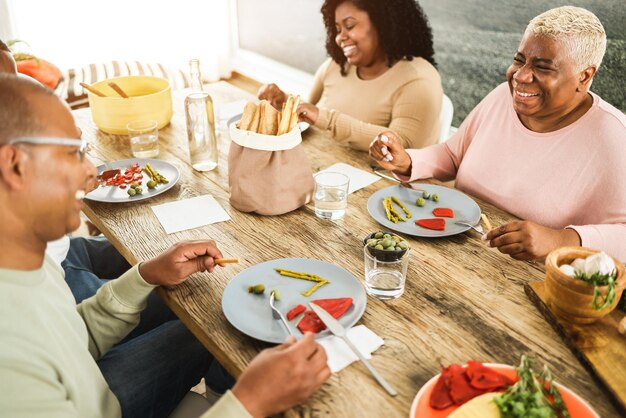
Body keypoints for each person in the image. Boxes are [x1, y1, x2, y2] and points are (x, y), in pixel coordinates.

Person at [0, 74, 331, 417]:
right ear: (15, 165)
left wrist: (145, 276)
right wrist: (248, 403)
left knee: (218, 317)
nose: (92, 171)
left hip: (95, 393)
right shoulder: (9, 361)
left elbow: (71, 341)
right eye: (73, 152)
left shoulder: (28, 262)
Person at [369, 6, 626, 262]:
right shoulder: (502, 96)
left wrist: (561, 240)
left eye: (543, 67)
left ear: (584, 76)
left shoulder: (614, 137)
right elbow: (452, 154)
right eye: (519, 59)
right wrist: (409, 161)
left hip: (527, 279)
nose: (521, 76)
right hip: (448, 254)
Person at [258, 0, 442, 151]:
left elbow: (402, 144)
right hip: (318, 164)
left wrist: (327, 120)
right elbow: (311, 112)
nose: (340, 37)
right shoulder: (335, 65)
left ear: (383, 23)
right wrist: (283, 101)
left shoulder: (418, 78)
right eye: (338, 29)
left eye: (349, 25)